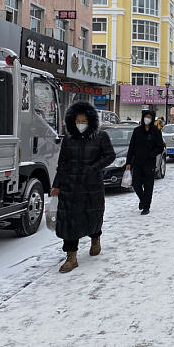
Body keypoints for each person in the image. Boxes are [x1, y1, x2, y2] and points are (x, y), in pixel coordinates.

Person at [51, 101, 116, 273]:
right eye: (78, 120)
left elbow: (110, 155)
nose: (80, 124)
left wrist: (93, 167)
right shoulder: (68, 140)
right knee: (69, 221)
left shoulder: (101, 137)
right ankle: (71, 257)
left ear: (91, 121)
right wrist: (56, 184)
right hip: (70, 187)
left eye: (84, 120)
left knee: (93, 216)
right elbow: (62, 163)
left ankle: (95, 238)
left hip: (91, 186)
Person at [125, 109, 165, 215]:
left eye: (149, 117)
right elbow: (131, 147)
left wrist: (151, 154)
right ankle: (142, 200)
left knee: (148, 186)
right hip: (137, 162)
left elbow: (160, 147)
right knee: (136, 184)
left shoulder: (156, 131)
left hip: (149, 163)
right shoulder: (137, 131)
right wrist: (128, 162)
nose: (147, 119)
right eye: (146, 117)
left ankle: (146, 207)